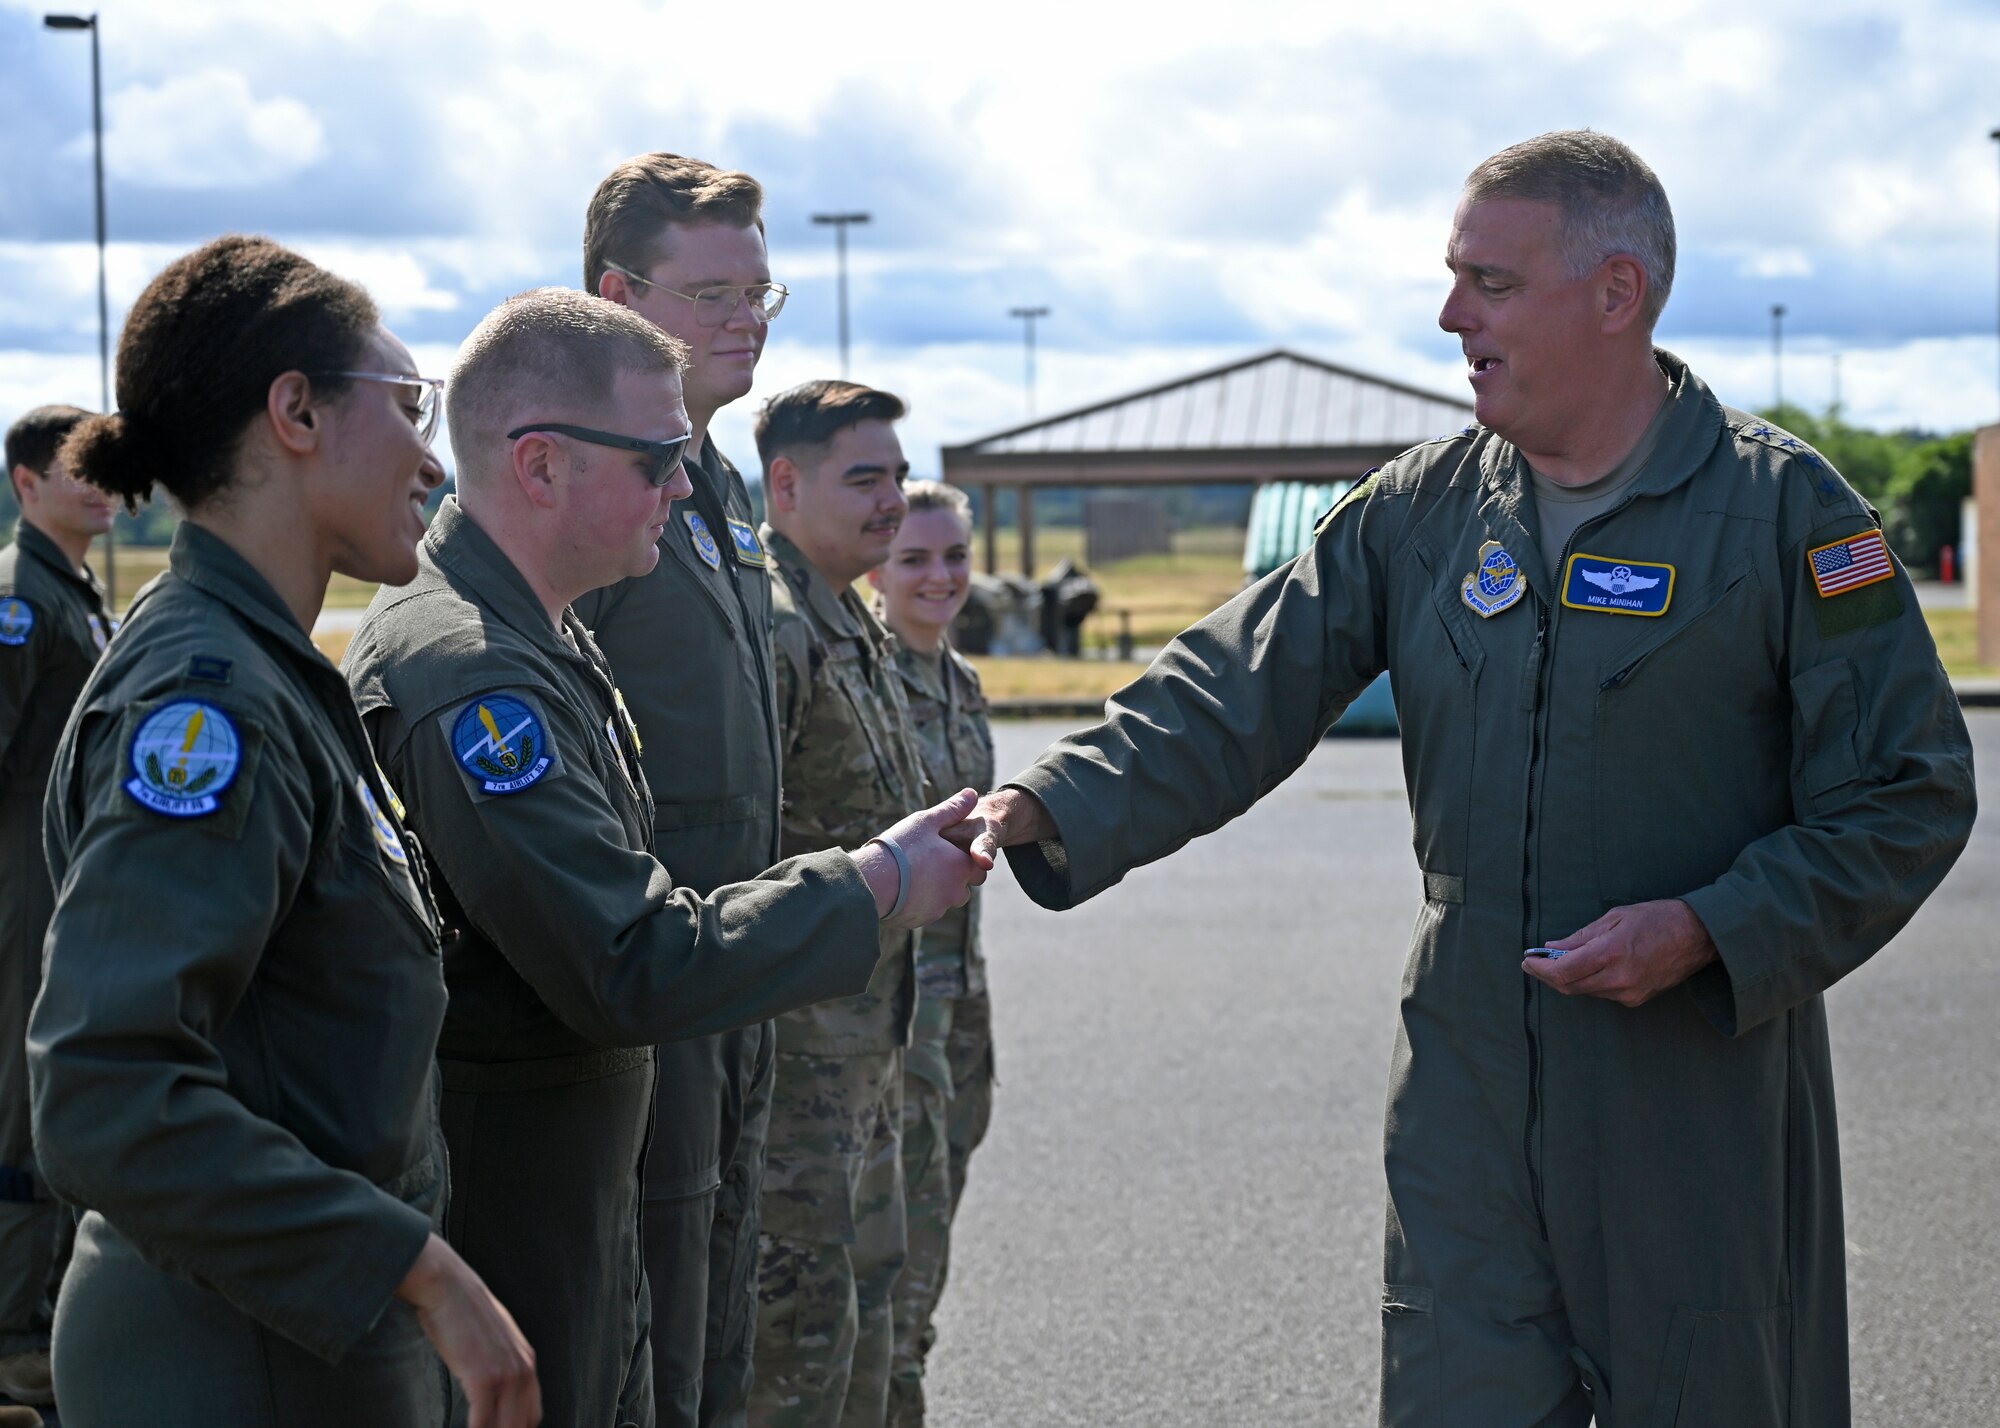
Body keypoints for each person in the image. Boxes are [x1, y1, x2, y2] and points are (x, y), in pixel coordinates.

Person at [957, 132, 1976, 1427]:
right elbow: (1237, 680)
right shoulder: (1425, 510)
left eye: (1489, 282)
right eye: (1455, 280)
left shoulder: (1784, 516)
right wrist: (1055, 794)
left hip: (1694, 1095)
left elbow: (1911, 785)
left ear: (1617, 294)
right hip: (1468, 1087)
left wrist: (1714, 929)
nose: (1450, 316)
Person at [342, 290, 986, 1428]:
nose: (685, 488)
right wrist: (871, 883)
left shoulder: (546, 634)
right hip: (516, 1206)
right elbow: (628, 959)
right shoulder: (474, 676)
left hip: (583, 1186)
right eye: (657, 460)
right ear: (539, 467)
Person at [27, 235, 540, 1428]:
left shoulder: (265, 670)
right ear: (295, 412)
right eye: (408, 406)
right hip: (234, 1359)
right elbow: (107, 1091)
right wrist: (414, 1267)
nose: (428, 457)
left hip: (299, 1340)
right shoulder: (210, 703)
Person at [577, 152, 789, 1428]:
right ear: (617, 292)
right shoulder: (583, 487)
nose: (742, 322)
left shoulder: (711, 476)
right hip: (643, 975)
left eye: (759, 296)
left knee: (718, 1303)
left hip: (731, 967)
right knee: (643, 1318)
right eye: (711, 295)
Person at [748, 379, 934, 1428]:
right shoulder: (769, 632)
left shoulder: (848, 624)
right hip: (792, 1083)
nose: (893, 502)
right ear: (785, 484)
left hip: (865, 1064)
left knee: (866, 1342)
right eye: (864, 478)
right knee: (795, 1370)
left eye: (899, 478)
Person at [865, 482, 997, 1428]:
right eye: (914, 558)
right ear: (875, 566)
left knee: (929, 1243)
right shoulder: (855, 676)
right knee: (882, 1272)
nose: (939, 575)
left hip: (956, 1013)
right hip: (885, 1015)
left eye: (954, 556)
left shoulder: (961, 682)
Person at [0, 403, 113, 1413]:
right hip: (18, 891)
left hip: (57, 880)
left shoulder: (70, 590)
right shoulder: (18, 602)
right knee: (16, 1111)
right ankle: (10, 1334)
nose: (103, 484)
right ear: (27, 482)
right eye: (79, 467)